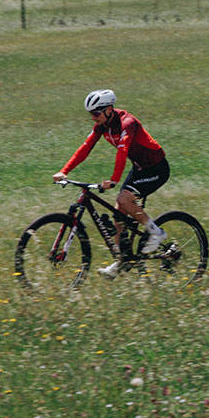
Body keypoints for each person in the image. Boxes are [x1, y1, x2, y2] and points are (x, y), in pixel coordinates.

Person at [53, 89, 170, 277]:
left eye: (96, 113)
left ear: (108, 109)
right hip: (139, 167)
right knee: (118, 213)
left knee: (124, 199)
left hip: (156, 168)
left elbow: (122, 152)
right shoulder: (102, 125)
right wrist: (64, 171)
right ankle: (122, 261)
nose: (93, 118)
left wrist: (114, 180)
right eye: (91, 114)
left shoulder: (127, 123)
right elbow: (86, 148)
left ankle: (156, 232)